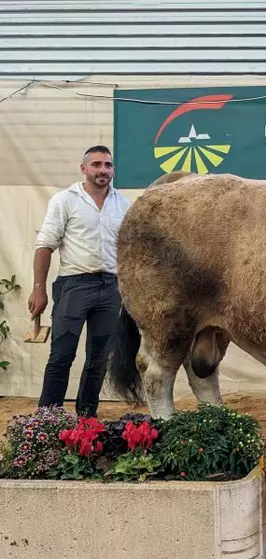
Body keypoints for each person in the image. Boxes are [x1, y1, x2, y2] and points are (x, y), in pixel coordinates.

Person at [28, 145, 131, 417]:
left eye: (108, 165)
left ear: (113, 170)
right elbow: (44, 246)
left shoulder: (123, 204)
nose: (102, 170)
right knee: (62, 356)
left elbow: (130, 251)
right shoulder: (65, 200)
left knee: (99, 360)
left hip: (110, 288)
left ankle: (87, 418)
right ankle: (47, 420)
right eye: (96, 164)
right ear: (84, 169)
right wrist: (39, 289)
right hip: (74, 286)